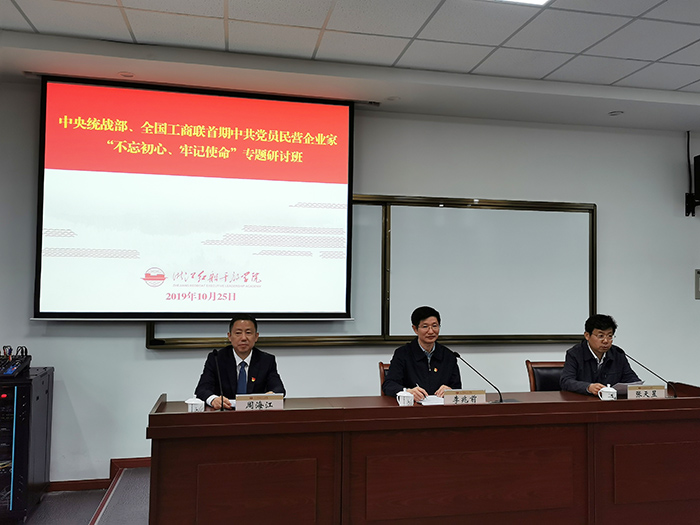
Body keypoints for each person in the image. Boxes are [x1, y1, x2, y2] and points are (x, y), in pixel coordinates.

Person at [195, 314, 285, 409]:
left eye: (248, 333)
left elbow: (279, 389)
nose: (243, 338)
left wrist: (271, 396)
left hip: (255, 413)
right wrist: (213, 399)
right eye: (238, 333)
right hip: (225, 412)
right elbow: (202, 389)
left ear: (256, 336)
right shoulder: (216, 358)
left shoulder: (266, 360)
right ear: (229, 336)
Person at [382, 306, 462, 401]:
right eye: (425, 326)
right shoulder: (403, 354)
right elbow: (389, 385)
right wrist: (407, 391)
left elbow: (457, 388)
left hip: (440, 408)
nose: (431, 331)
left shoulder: (448, 356)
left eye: (434, 326)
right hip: (412, 407)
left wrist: (450, 391)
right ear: (415, 329)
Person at [560, 314, 640, 396]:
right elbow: (566, 381)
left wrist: (639, 387)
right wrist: (588, 387)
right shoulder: (575, 354)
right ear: (587, 336)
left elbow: (631, 379)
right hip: (583, 401)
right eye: (600, 336)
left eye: (609, 336)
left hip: (611, 401)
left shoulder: (617, 353)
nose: (606, 341)